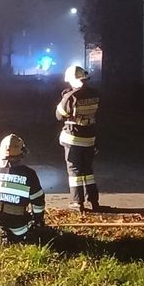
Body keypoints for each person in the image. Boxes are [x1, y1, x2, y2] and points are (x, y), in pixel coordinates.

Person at [0, 133, 46, 242]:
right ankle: (17, 237)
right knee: (27, 234)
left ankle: (3, 233)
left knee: (1, 222)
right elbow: (38, 202)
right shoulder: (29, 174)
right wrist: (38, 220)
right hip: (17, 221)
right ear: (22, 153)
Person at [56, 64, 100, 212]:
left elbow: (59, 115)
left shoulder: (70, 96)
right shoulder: (95, 94)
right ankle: (93, 201)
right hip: (90, 137)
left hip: (73, 138)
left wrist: (66, 96)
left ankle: (77, 202)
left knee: (74, 171)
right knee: (88, 171)